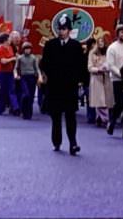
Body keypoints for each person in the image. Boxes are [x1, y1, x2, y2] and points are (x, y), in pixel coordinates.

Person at [40, 15, 86, 155]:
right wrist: (46, 75)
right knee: (56, 117)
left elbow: (81, 66)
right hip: (54, 86)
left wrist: (80, 81)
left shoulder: (76, 46)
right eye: (60, 29)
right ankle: (57, 141)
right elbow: (44, 63)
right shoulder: (50, 45)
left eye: (64, 29)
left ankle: (73, 143)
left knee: (71, 116)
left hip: (69, 87)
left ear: (69, 30)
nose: (61, 32)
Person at [88, 36, 114, 128]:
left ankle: (99, 117)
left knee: (106, 101)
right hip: (97, 78)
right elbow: (89, 67)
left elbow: (112, 64)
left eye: (102, 41)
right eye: (99, 42)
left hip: (107, 78)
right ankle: (106, 119)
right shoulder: (92, 53)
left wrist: (108, 68)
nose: (101, 43)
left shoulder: (108, 52)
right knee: (100, 101)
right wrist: (98, 69)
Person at [0, 33, 20, 116]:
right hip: (2, 72)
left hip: (10, 71)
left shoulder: (10, 48)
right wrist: (12, 58)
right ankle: (1, 109)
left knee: (12, 90)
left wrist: (16, 57)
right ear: (5, 40)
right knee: (3, 91)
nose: (10, 40)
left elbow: (13, 57)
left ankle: (16, 107)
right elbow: (3, 61)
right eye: (9, 38)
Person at [16, 42, 40, 120]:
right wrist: (16, 74)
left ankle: (29, 113)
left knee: (31, 96)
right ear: (23, 50)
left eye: (29, 49)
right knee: (26, 94)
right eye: (26, 49)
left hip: (32, 77)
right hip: (23, 77)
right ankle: (23, 110)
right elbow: (16, 68)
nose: (27, 50)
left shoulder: (33, 58)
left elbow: (37, 68)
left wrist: (39, 77)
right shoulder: (20, 58)